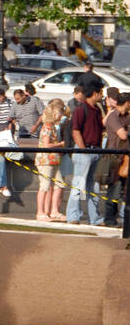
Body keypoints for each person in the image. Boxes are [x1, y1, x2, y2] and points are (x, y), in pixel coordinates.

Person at [66, 83, 103, 225]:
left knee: (93, 187)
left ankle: (95, 218)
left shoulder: (97, 110)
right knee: (78, 185)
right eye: (100, 92)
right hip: (84, 150)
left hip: (95, 150)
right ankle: (73, 216)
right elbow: (76, 131)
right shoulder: (81, 109)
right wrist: (83, 150)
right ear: (94, 93)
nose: (102, 95)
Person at [100, 91, 130, 227]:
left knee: (124, 189)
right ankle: (109, 219)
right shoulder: (113, 116)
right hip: (114, 158)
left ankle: (122, 218)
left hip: (125, 158)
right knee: (114, 189)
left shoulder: (127, 116)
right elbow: (123, 135)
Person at [35, 100, 67, 221]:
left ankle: (54, 211)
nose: (61, 116)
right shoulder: (47, 127)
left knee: (59, 183)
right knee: (44, 186)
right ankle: (40, 212)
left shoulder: (53, 127)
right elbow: (46, 145)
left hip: (54, 160)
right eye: (59, 113)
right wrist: (60, 144)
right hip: (45, 160)